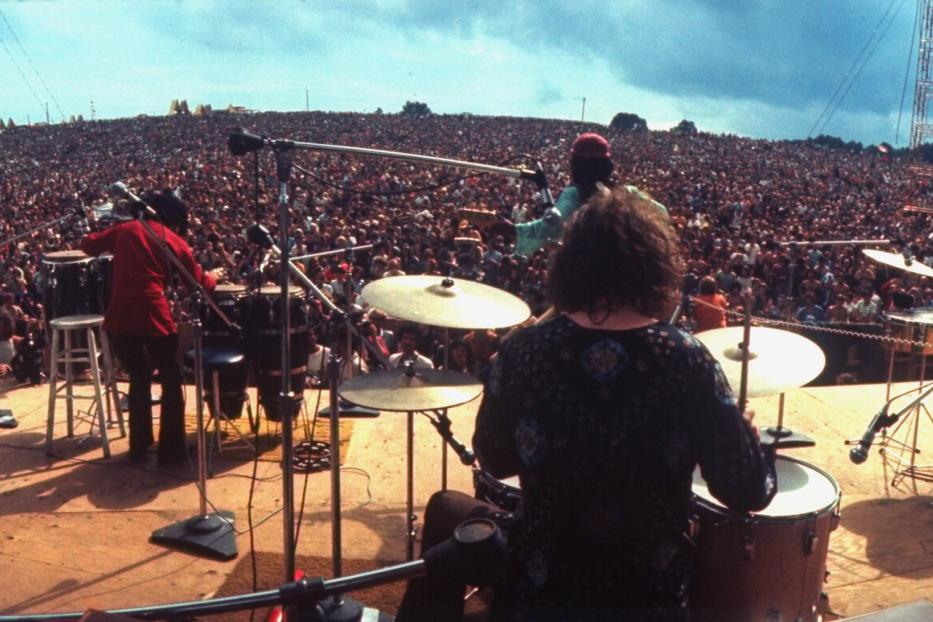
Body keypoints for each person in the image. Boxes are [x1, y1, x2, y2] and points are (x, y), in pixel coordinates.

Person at [396, 185, 776, 622]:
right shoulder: (688, 359)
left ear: (571, 268)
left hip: (542, 590)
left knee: (448, 509)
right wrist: (747, 438)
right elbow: (748, 491)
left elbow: (493, 459)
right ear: (655, 268)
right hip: (648, 598)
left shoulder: (524, 352)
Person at [80, 189, 220, 464]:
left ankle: (139, 444)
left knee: (139, 378)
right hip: (153, 315)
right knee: (171, 379)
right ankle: (172, 450)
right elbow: (199, 283)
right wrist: (213, 277)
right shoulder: (172, 239)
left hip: (119, 318)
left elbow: (87, 244)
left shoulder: (125, 229)